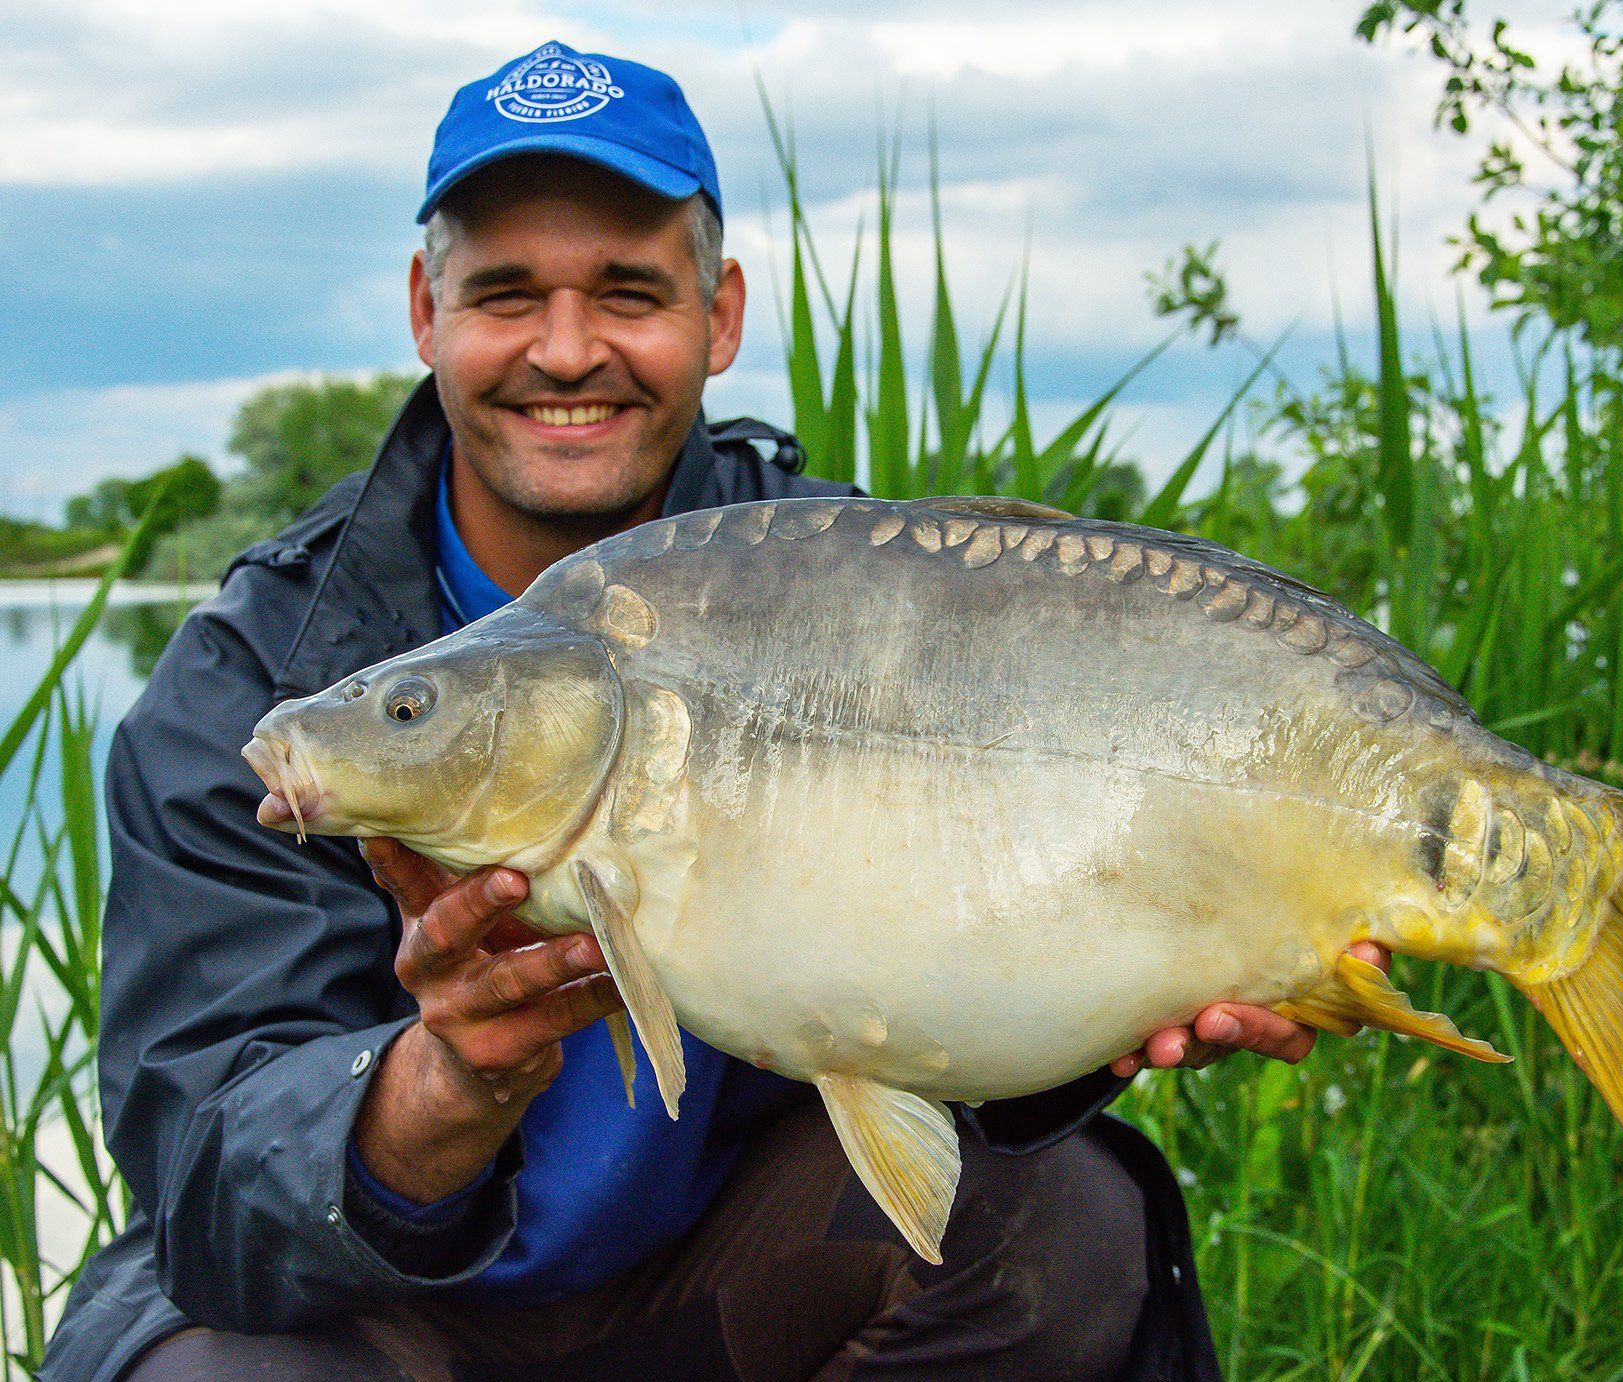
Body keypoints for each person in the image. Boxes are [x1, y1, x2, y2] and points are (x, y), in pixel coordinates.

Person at [42, 40, 1387, 1382]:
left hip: (715, 1279)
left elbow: (977, 947)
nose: (566, 350)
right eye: (507, 294)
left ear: (719, 313)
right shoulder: (253, 684)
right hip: (384, 1325)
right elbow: (204, 1184)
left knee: (1067, 1222)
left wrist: (1161, 962)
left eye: (628, 291)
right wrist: (438, 1084)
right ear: (425, 310)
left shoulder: (852, 590)